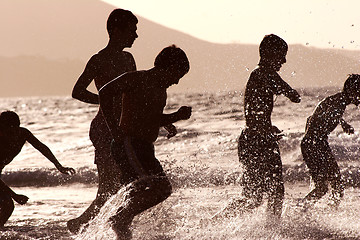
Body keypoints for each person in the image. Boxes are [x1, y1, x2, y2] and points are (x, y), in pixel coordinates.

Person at [68, 9, 177, 233]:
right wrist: (106, 100)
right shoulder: (98, 60)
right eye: (132, 30)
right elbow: (77, 91)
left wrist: (162, 120)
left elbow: (140, 92)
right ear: (116, 30)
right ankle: (81, 226)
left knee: (128, 185)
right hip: (106, 128)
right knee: (108, 189)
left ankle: (118, 227)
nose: (135, 35)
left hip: (128, 128)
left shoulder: (129, 58)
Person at [98, 45, 191, 239]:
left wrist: (167, 122)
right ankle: (120, 219)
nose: (176, 81)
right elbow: (105, 92)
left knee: (137, 193)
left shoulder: (160, 90)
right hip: (130, 145)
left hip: (142, 148)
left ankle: (122, 229)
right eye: (177, 75)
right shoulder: (138, 79)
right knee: (162, 188)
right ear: (167, 67)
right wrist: (113, 128)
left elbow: (149, 117)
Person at [213, 34, 301, 220]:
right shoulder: (262, 73)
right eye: (282, 55)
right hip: (256, 140)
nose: (284, 60)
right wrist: (291, 93)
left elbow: (254, 114)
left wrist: (268, 127)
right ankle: (272, 229)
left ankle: (214, 222)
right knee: (272, 192)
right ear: (270, 53)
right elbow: (281, 85)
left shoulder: (260, 75)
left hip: (254, 138)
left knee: (255, 198)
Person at [0, 111, 75, 227]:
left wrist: (59, 166)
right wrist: (15, 195)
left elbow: (41, 147)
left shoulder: (22, 134)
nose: (12, 134)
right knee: (7, 204)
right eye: (7, 131)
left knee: (6, 205)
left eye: (14, 129)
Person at [301, 74, 360, 207]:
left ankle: (306, 213)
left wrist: (342, 123)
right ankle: (298, 213)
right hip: (315, 145)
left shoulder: (338, 100)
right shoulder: (339, 103)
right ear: (352, 91)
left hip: (314, 143)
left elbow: (312, 117)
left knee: (334, 186)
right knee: (327, 187)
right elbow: (326, 114)